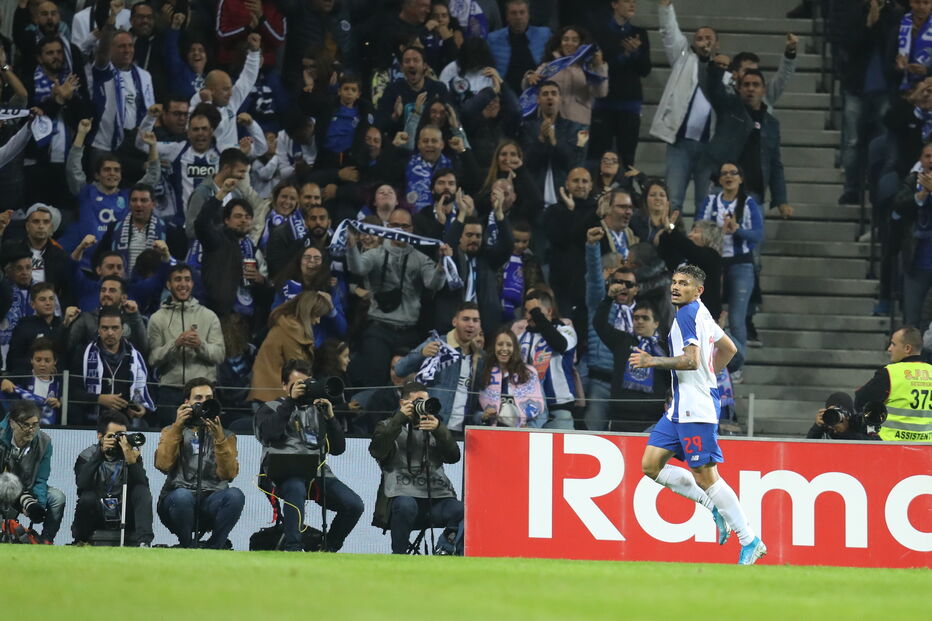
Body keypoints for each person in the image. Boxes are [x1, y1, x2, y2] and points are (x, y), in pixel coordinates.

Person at [630, 264, 766, 565]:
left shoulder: (688, 314)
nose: (676, 287)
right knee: (651, 465)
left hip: (696, 410)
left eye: (685, 283)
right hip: (680, 408)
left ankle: (749, 538)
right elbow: (730, 348)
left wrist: (653, 361)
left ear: (698, 290)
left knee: (706, 476)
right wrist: (709, 375)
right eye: (675, 282)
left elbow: (691, 361)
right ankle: (712, 505)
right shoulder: (703, 312)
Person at [255, 359, 364, 552]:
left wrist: (330, 417)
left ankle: (327, 548)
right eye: (297, 385)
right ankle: (293, 548)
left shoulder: (318, 410)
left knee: (354, 505)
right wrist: (290, 402)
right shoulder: (270, 407)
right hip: (281, 474)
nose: (303, 390)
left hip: (318, 473)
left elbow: (338, 449)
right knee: (295, 487)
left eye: (306, 385)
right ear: (283, 386)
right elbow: (269, 434)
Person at [346, 208, 449, 387]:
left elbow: (433, 284)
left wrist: (441, 264)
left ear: (411, 229)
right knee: (373, 378)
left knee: (408, 382)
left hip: (408, 331)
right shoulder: (376, 254)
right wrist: (352, 247)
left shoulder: (420, 258)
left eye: (404, 226)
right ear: (387, 227)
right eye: (395, 225)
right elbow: (358, 269)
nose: (399, 230)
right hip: (378, 327)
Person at [369, 381, 464, 555]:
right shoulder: (387, 425)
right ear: (403, 403)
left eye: (426, 402)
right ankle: (399, 556)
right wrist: (399, 419)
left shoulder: (435, 427)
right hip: (402, 499)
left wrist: (439, 430)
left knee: (462, 510)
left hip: (435, 499)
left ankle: (445, 549)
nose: (424, 407)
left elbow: (454, 457)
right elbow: (377, 451)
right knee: (406, 505)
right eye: (418, 402)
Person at [154, 378, 245, 549]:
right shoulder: (170, 431)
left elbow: (229, 475)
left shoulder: (227, 436)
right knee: (182, 496)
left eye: (208, 397)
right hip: (176, 501)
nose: (204, 402)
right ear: (187, 402)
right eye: (198, 398)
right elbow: (163, 465)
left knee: (235, 495)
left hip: (212, 500)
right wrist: (177, 428)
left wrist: (219, 438)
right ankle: (187, 545)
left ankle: (214, 547)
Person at [649, 0, 719, 214]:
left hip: (710, 148)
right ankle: (670, 240)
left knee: (704, 205)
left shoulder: (724, 72)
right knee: (673, 201)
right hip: (680, 144)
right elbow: (670, 33)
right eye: (699, 38)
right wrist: (665, 7)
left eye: (709, 39)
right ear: (692, 43)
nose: (704, 42)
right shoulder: (683, 59)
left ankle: (701, 245)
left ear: (717, 44)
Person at [695, 162, 763, 378]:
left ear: (741, 178)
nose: (728, 176)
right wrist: (717, 231)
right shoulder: (711, 201)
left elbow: (758, 235)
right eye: (724, 173)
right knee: (711, 315)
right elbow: (698, 227)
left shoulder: (749, 203)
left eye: (734, 172)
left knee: (736, 318)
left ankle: (736, 366)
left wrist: (737, 230)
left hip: (741, 263)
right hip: (712, 263)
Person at [147, 264, 226, 428]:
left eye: (187, 279)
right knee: (170, 440)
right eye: (177, 280)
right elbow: (153, 358)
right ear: (169, 285)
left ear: (192, 284)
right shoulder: (157, 318)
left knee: (206, 438)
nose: (183, 284)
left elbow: (219, 354)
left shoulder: (209, 316)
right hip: (170, 391)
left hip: (203, 392)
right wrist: (175, 344)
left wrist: (200, 345)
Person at [394, 302, 483, 433]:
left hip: (462, 431)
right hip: (430, 426)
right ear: (454, 321)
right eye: (466, 319)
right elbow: (399, 369)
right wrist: (421, 354)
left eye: (475, 320)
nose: (471, 324)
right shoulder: (437, 344)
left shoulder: (480, 357)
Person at [72, 410, 154, 546]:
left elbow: (143, 487)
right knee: (87, 497)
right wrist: (99, 455)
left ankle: (144, 542)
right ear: (100, 436)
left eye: (122, 435)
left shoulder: (130, 454)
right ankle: (81, 541)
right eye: (113, 436)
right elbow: (82, 484)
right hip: (98, 511)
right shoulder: (87, 455)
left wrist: (132, 463)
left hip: (124, 512)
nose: (118, 440)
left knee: (141, 492)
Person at [590, 0, 652, 170]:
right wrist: (625, 55)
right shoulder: (600, 32)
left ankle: (627, 194)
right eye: (627, 1)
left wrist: (637, 53)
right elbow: (600, 67)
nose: (632, 5)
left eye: (634, 2)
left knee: (627, 157)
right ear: (614, 4)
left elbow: (645, 70)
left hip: (630, 103)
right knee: (598, 155)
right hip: (604, 102)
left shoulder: (640, 33)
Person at [248, 291, 342, 404]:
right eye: (317, 316)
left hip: (271, 395)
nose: (318, 321)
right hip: (271, 399)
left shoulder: (289, 326)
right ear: (308, 312)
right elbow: (298, 370)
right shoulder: (290, 332)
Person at [70, 306, 155, 427]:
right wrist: (99, 399)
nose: (110, 332)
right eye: (105, 328)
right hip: (91, 423)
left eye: (114, 328)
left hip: (126, 423)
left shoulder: (135, 357)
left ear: (122, 330)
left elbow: (148, 392)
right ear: (98, 329)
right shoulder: (83, 354)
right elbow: (74, 391)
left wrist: (143, 409)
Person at [595, 293, 669, 431]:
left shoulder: (665, 348)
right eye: (636, 318)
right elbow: (599, 324)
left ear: (656, 323)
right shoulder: (622, 341)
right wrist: (609, 298)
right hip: (621, 417)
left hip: (654, 419)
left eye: (645, 318)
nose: (639, 321)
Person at [0, 400, 65, 544]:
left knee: (57, 498)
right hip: (3, 486)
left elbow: (41, 479)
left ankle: (45, 541)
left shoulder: (44, 442)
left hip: (28, 488)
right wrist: (22, 501)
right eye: (26, 425)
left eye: (35, 425)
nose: (31, 430)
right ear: (12, 423)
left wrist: (38, 506)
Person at [513, 290, 578, 429]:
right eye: (527, 311)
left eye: (534, 310)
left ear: (549, 311)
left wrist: (537, 315)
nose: (529, 315)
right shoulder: (520, 338)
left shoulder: (565, 330)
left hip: (559, 410)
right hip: (529, 411)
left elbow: (560, 344)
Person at [855, 326, 932, 442]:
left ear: (907, 348)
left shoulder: (890, 373)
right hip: (927, 448)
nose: (889, 349)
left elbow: (860, 401)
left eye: (893, 344)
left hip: (891, 446)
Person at [189, 33, 264, 152]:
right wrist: (207, 103)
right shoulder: (195, 108)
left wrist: (254, 52)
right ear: (210, 91)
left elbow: (247, 79)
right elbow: (214, 128)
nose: (230, 93)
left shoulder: (230, 102)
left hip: (230, 163)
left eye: (230, 88)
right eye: (225, 89)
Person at [522, 25, 608, 128]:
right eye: (565, 39)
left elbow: (600, 93)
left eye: (575, 40)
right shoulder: (550, 66)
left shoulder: (589, 67)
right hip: (550, 123)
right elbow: (529, 88)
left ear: (581, 44)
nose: (569, 43)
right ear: (560, 43)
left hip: (580, 124)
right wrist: (529, 77)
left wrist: (599, 66)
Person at [476, 327, 547, 427]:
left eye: (509, 345)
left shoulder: (529, 373)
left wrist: (530, 427)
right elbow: (475, 412)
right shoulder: (485, 373)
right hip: (492, 434)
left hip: (522, 435)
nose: (504, 349)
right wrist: (483, 416)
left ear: (515, 349)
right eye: (500, 344)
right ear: (494, 347)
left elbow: (543, 412)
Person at [487, 0, 552, 94]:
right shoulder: (493, 39)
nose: (518, 17)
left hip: (538, 90)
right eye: (513, 13)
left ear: (528, 15)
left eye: (522, 12)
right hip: (506, 93)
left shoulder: (545, 34)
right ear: (507, 17)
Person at [1, 337, 61, 425]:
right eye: (38, 360)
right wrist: (3, 381)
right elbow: (3, 382)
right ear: (31, 360)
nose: (42, 364)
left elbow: (70, 410)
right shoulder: (21, 376)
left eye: (47, 360)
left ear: (55, 361)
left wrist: (59, 406)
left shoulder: (61, 384)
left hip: (51, 431)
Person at [6, 282, 61, 377]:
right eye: (42, 299)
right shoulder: (23, 326)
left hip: (60, 381)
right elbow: (13, 361)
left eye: (51, 299)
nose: (48, 303)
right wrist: (40, 367)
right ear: (32, 304)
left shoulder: (62, 324)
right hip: (29, 382)